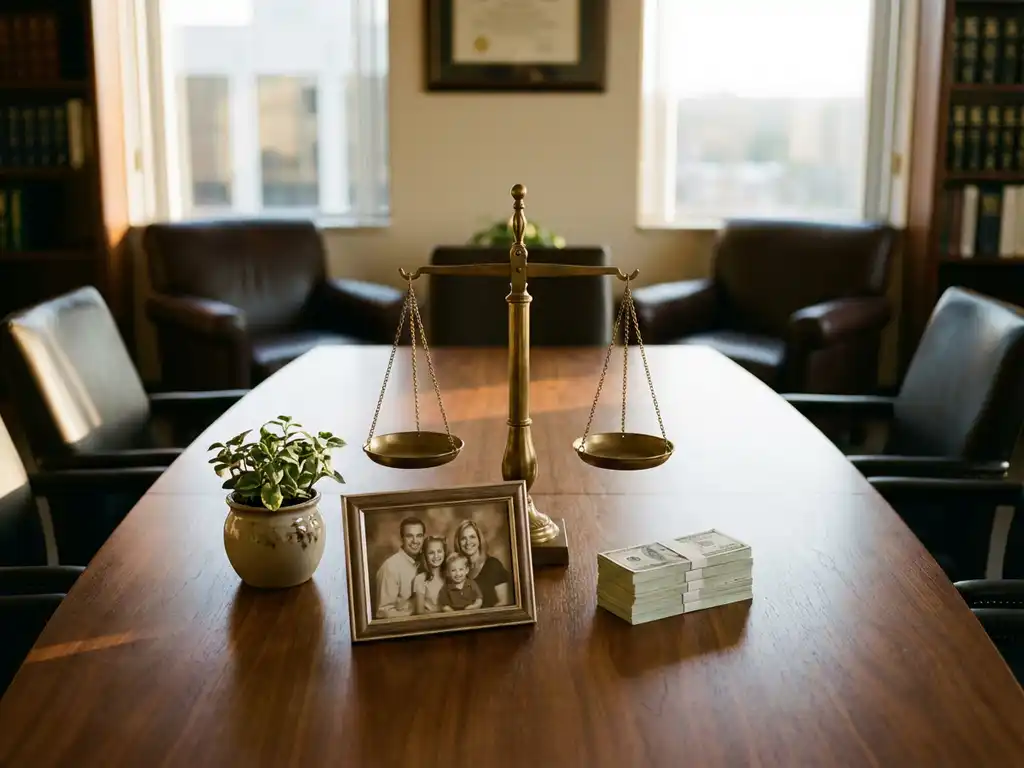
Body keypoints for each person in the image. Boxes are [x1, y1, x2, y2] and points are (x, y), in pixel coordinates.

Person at [453, 518, 510, 608]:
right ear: (458, 543)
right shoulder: (458, 571)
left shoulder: (493, 565)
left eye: (472, 537)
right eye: (463, 538)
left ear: (479, 540)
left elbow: (504, 602)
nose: (468, 542)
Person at [375, 516, 425, 618]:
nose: (415, 541)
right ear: (402, 538)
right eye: (409, 536)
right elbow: (383, 612)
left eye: (419, 536)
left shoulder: (427, 561)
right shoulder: (390, 567)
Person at [412, 535, 447, 615]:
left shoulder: (450, 576)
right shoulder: (420, 579)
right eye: (431, 552)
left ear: (444, 552)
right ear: (425, 555)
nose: (436, 556)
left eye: (439, 551)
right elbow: (419, 613)